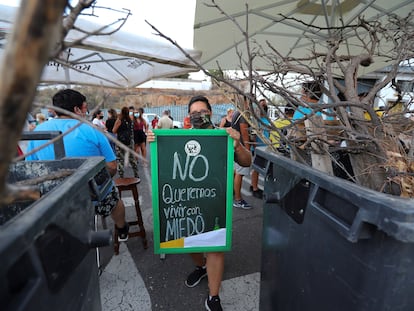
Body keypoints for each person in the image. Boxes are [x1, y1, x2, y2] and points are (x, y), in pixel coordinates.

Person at [148, 95, 251, 311]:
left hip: (215, 203)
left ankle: (213, 297)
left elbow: (246, 161)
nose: (197, 116)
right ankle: (200, 266)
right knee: (189, 241)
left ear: (210, 113)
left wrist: (237, 143)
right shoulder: (178, 138)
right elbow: (162, 161)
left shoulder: (222, 136)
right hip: (188, 203)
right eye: (193, 113)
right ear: (188, 116)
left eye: (202, 111)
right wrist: (154, 140)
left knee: (215, 248)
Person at [26, 89, 129, 241]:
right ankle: (122, 229)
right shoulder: (93, 130)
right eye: (85, 107)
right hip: (92, 195)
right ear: (76, 109)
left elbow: (30, 167)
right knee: (114, 198)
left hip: (52, 199)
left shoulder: (37, 132)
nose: (86, 111)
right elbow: (112, 167)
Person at [231, 96, 252, 209]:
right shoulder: (242, 114)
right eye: (248, 100)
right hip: (241, 149)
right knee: (240, 173)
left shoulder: (235, 113)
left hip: (236, 147)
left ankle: (233, 194)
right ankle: (238, 199)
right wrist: (248, 152)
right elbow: (245, 134)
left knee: (235, 172)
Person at [250, 99, 270, 199]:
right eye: (262, 105)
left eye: (265, 105)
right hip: (259, 148)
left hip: (267, 149)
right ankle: (254, 188)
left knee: (266, 169)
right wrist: (255, 147)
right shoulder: (255, 121)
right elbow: (252, 136)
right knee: (256, 169)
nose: (264, 107)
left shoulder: (268, 120)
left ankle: (255, 186)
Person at [112, 106, 139, 178]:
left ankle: (121, 176)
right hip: (129, 142)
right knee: (132, 159)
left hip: (120, 142)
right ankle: (136, 174)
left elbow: (114, 131)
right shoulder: (130, 120)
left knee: (120, 160)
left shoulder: (119, 120)